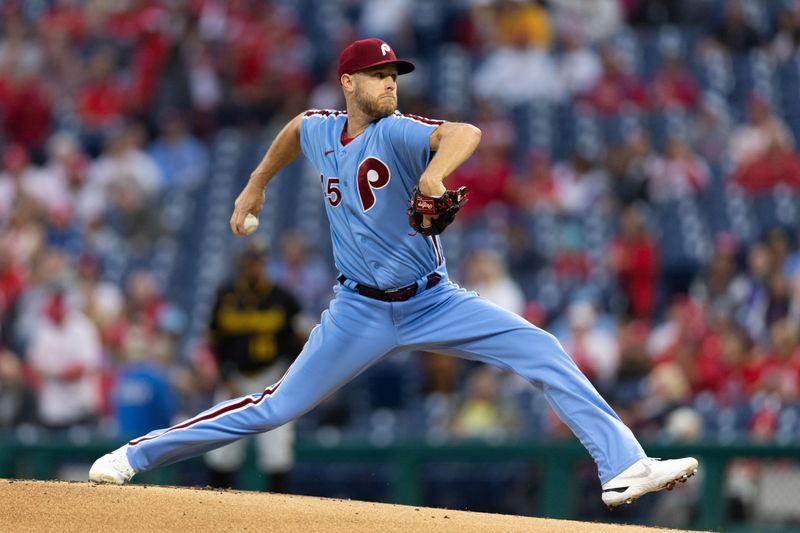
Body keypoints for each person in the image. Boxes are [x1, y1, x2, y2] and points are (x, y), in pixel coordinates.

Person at [90, 38, 698, 509]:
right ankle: (134, 457)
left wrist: (434, 175)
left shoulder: (400, 132)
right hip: (358, 311)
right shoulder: (321, 128)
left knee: (540, 347)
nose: (390, 83)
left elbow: (466, 132)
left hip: (434, 301)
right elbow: (293, 132)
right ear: (349, 81)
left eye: (394, 75)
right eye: (380, 75)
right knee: (273, 409)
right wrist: (252, 189)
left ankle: (622, 468)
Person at [204, 238, 303, 492]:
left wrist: (287, 378)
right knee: (221, 448)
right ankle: (215, 512)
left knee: (277, 450)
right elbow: (216, 341)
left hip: (272, 378)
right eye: (248, 262)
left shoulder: (283, 298)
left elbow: (300, 340)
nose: (252, 267)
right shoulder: (226, 295)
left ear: (264, 263)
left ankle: (278, 516)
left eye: (256, 262)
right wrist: (226, 376)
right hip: (234, 380)